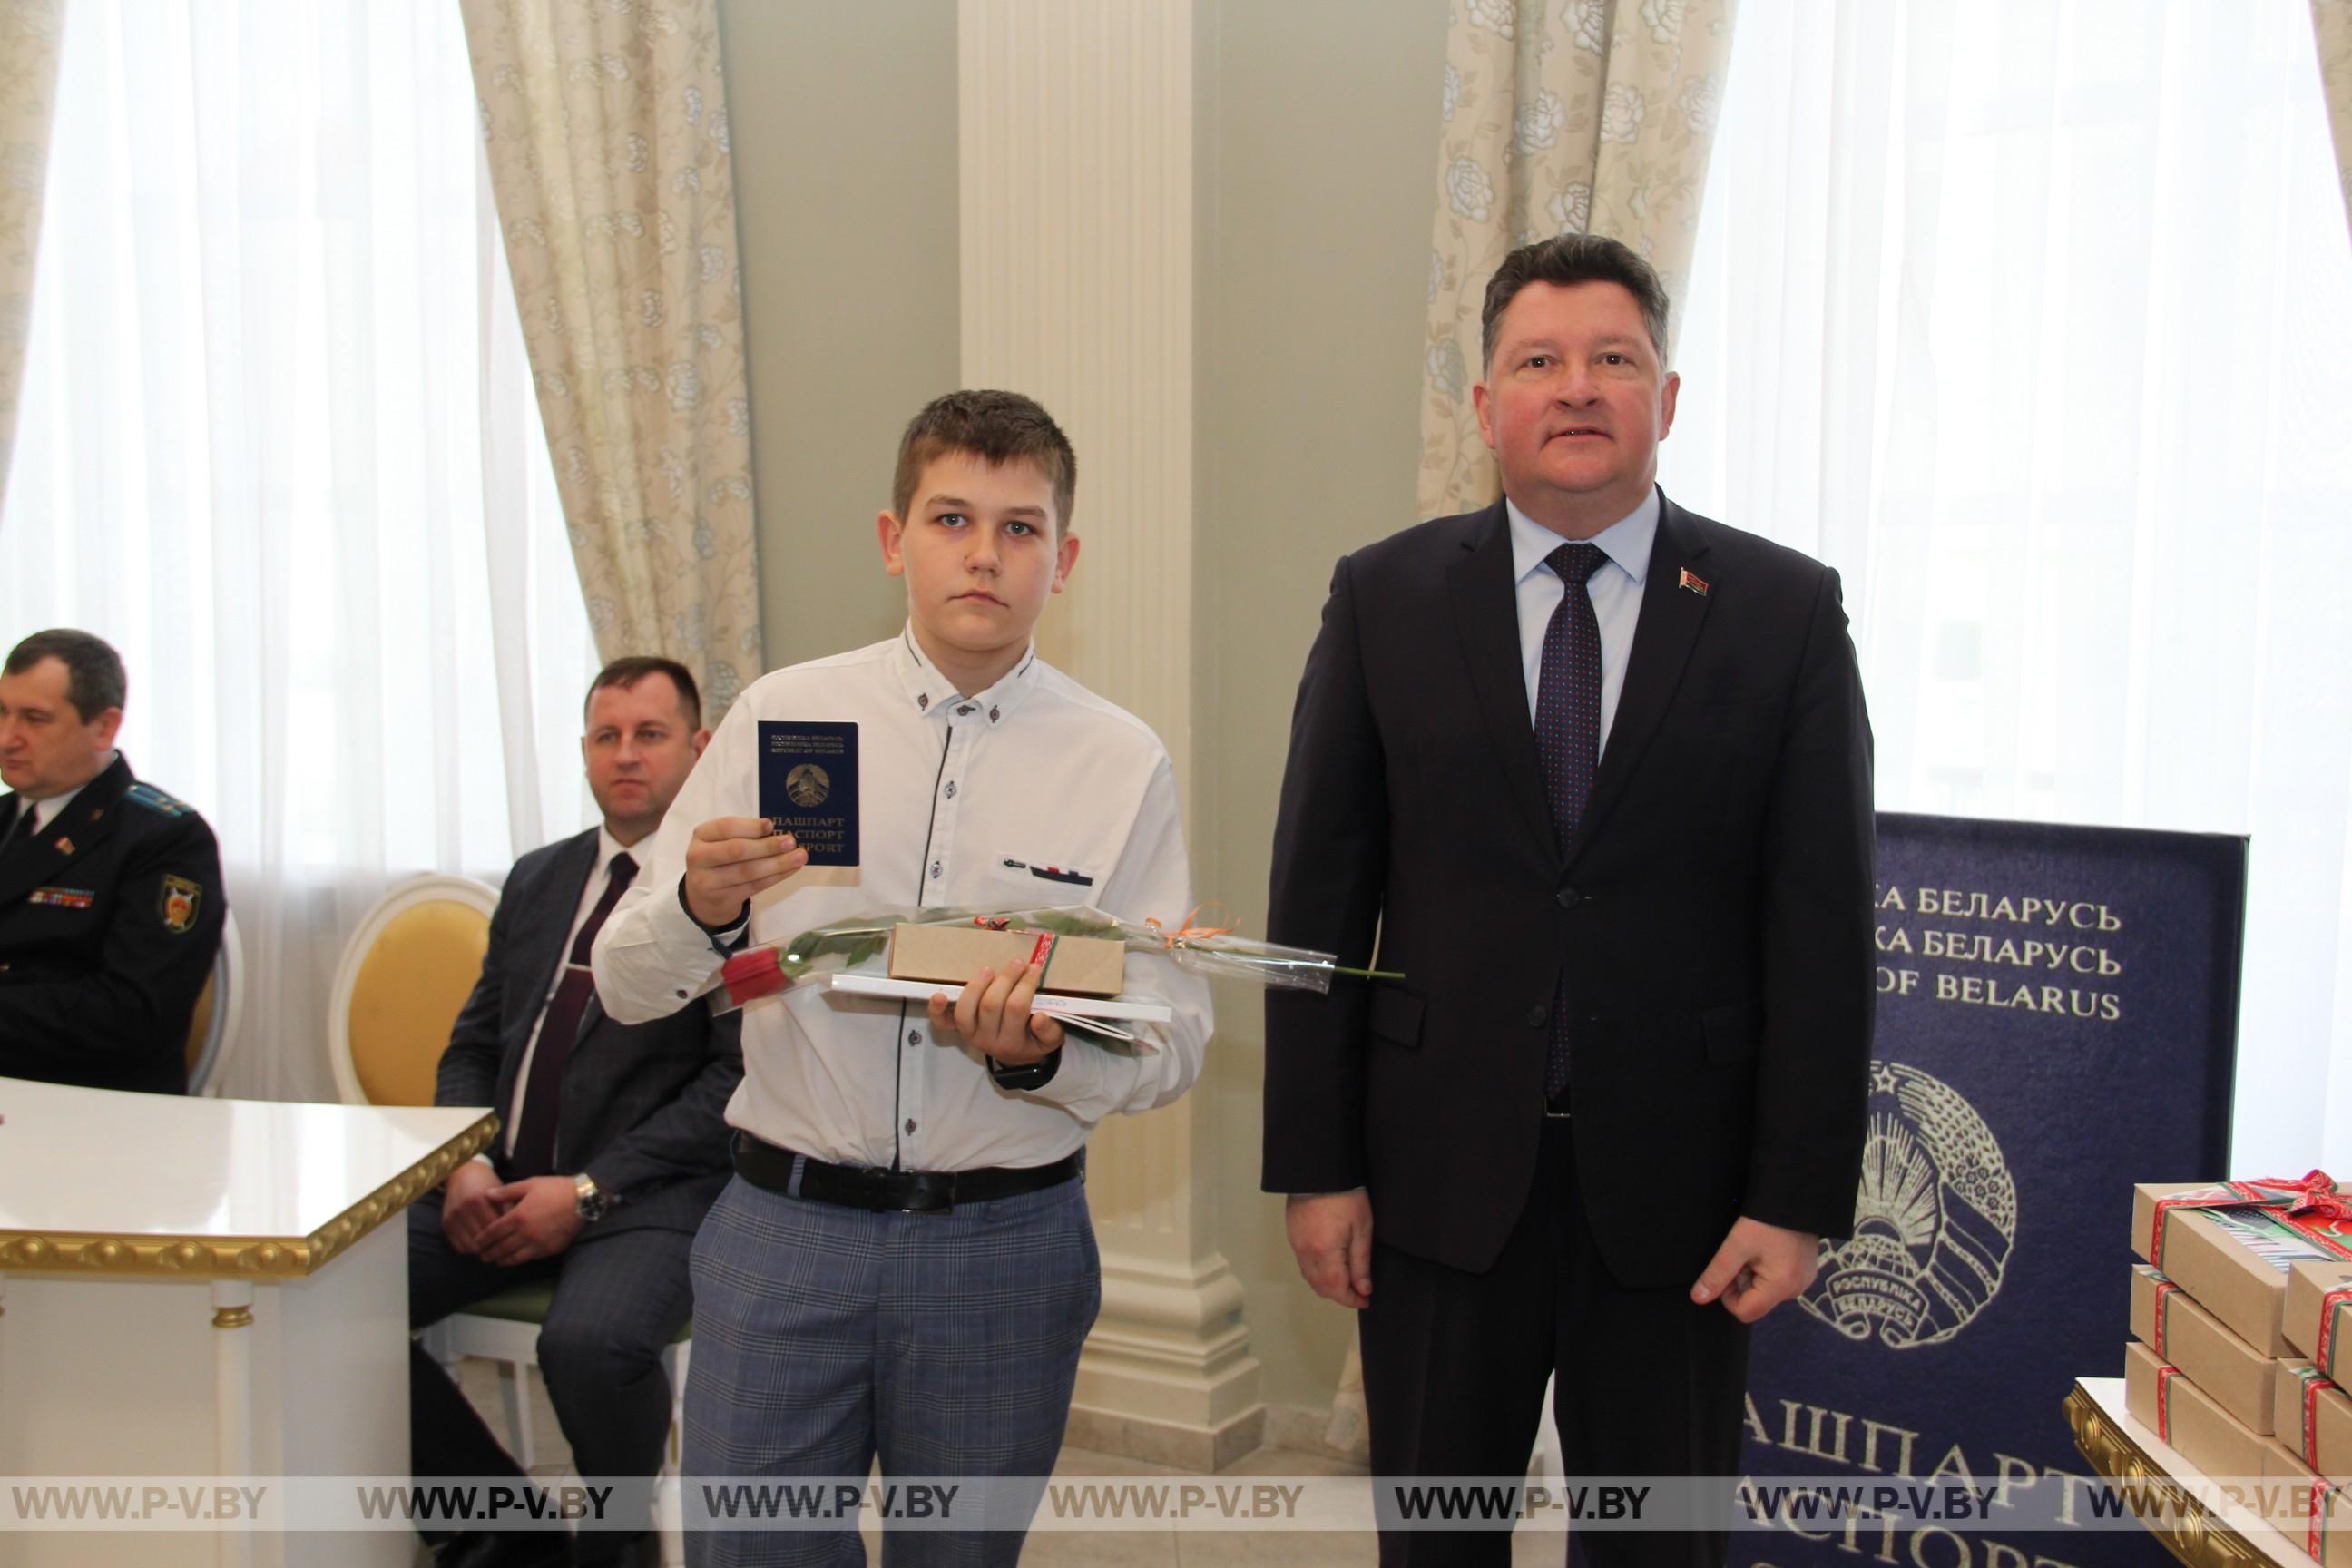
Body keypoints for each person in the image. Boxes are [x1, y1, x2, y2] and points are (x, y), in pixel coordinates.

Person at [1262, 234, 1875, 1567]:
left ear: (1668, 395)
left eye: (1615, 359)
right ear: (1485, 406)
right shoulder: (1383, 599)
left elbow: (1824, 935)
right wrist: (1318, 1167)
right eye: (1539, 361)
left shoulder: (1784, 611)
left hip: (1689, 1199)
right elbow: (1316, 905)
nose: (1579, 386)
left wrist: (1799, 1193)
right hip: (1433, 1185)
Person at [593, 389, 1212, 1568]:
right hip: (784, 1232)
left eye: (1020, 528)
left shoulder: (1119, 762)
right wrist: (698, 905)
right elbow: (626, 987)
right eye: (951, 519)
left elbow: (1176, 1032)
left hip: (1002, 1247)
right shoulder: (785, 717)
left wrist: (1041, 1055)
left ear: (1064, 559)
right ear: (894, 538)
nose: (984, 554)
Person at [410, 656, 744, 1568]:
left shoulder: (730, 892)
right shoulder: (538, 877)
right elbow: (473, 1046)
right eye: (607, 737)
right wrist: (465, 1161)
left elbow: (733, 1087)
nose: (625, 756)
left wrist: (588, 1191)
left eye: (650, 734)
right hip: (497, 1179)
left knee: (590, 1345)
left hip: (648, 1196)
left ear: (700, 748)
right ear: (585, 754)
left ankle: (618, 1546)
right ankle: (504, 1531)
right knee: (333, 1304)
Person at [0, 628, 224, 1093]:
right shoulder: (6, 820)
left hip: (87, 1112)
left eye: (35, 719)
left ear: (104, 727)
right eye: (2, 712)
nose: (7, 738)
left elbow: (131, 1014)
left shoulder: (166, 838)